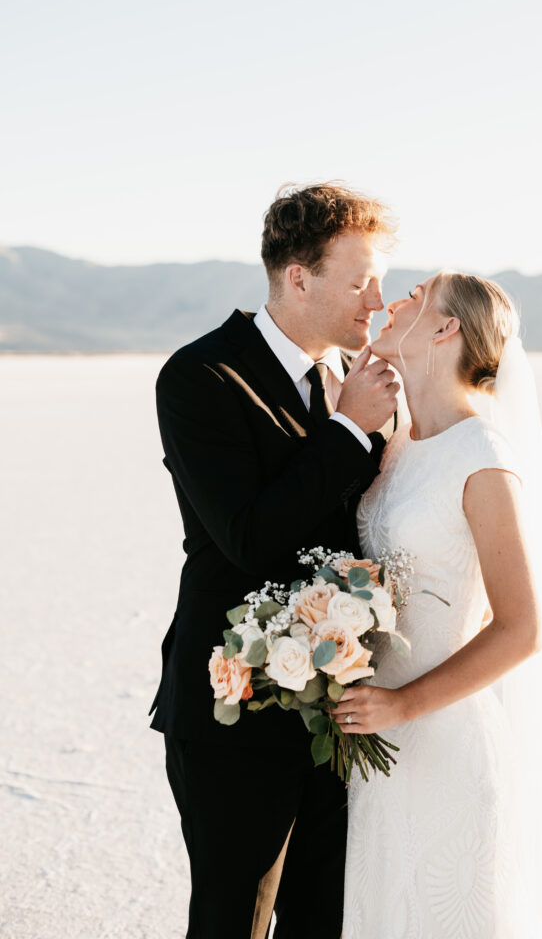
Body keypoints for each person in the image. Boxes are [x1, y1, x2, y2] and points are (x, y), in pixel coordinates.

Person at [334, 272, 542, 938]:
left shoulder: (482, 457)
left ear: (444, 329)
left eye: (415, 295)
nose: (392, 300)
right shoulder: (400, 444)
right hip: (373, 746)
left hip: (442, 745)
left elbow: (522, 629)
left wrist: (403, 704)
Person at [150, 183, 399, 939]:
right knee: (235, 918)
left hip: (338, 706)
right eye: (360, 281)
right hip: (233, 706)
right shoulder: (201, 376)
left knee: (324, 916)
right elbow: (248, 536)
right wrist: (350, 431)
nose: (376, 301)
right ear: (299, 277)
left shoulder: (342, 379)